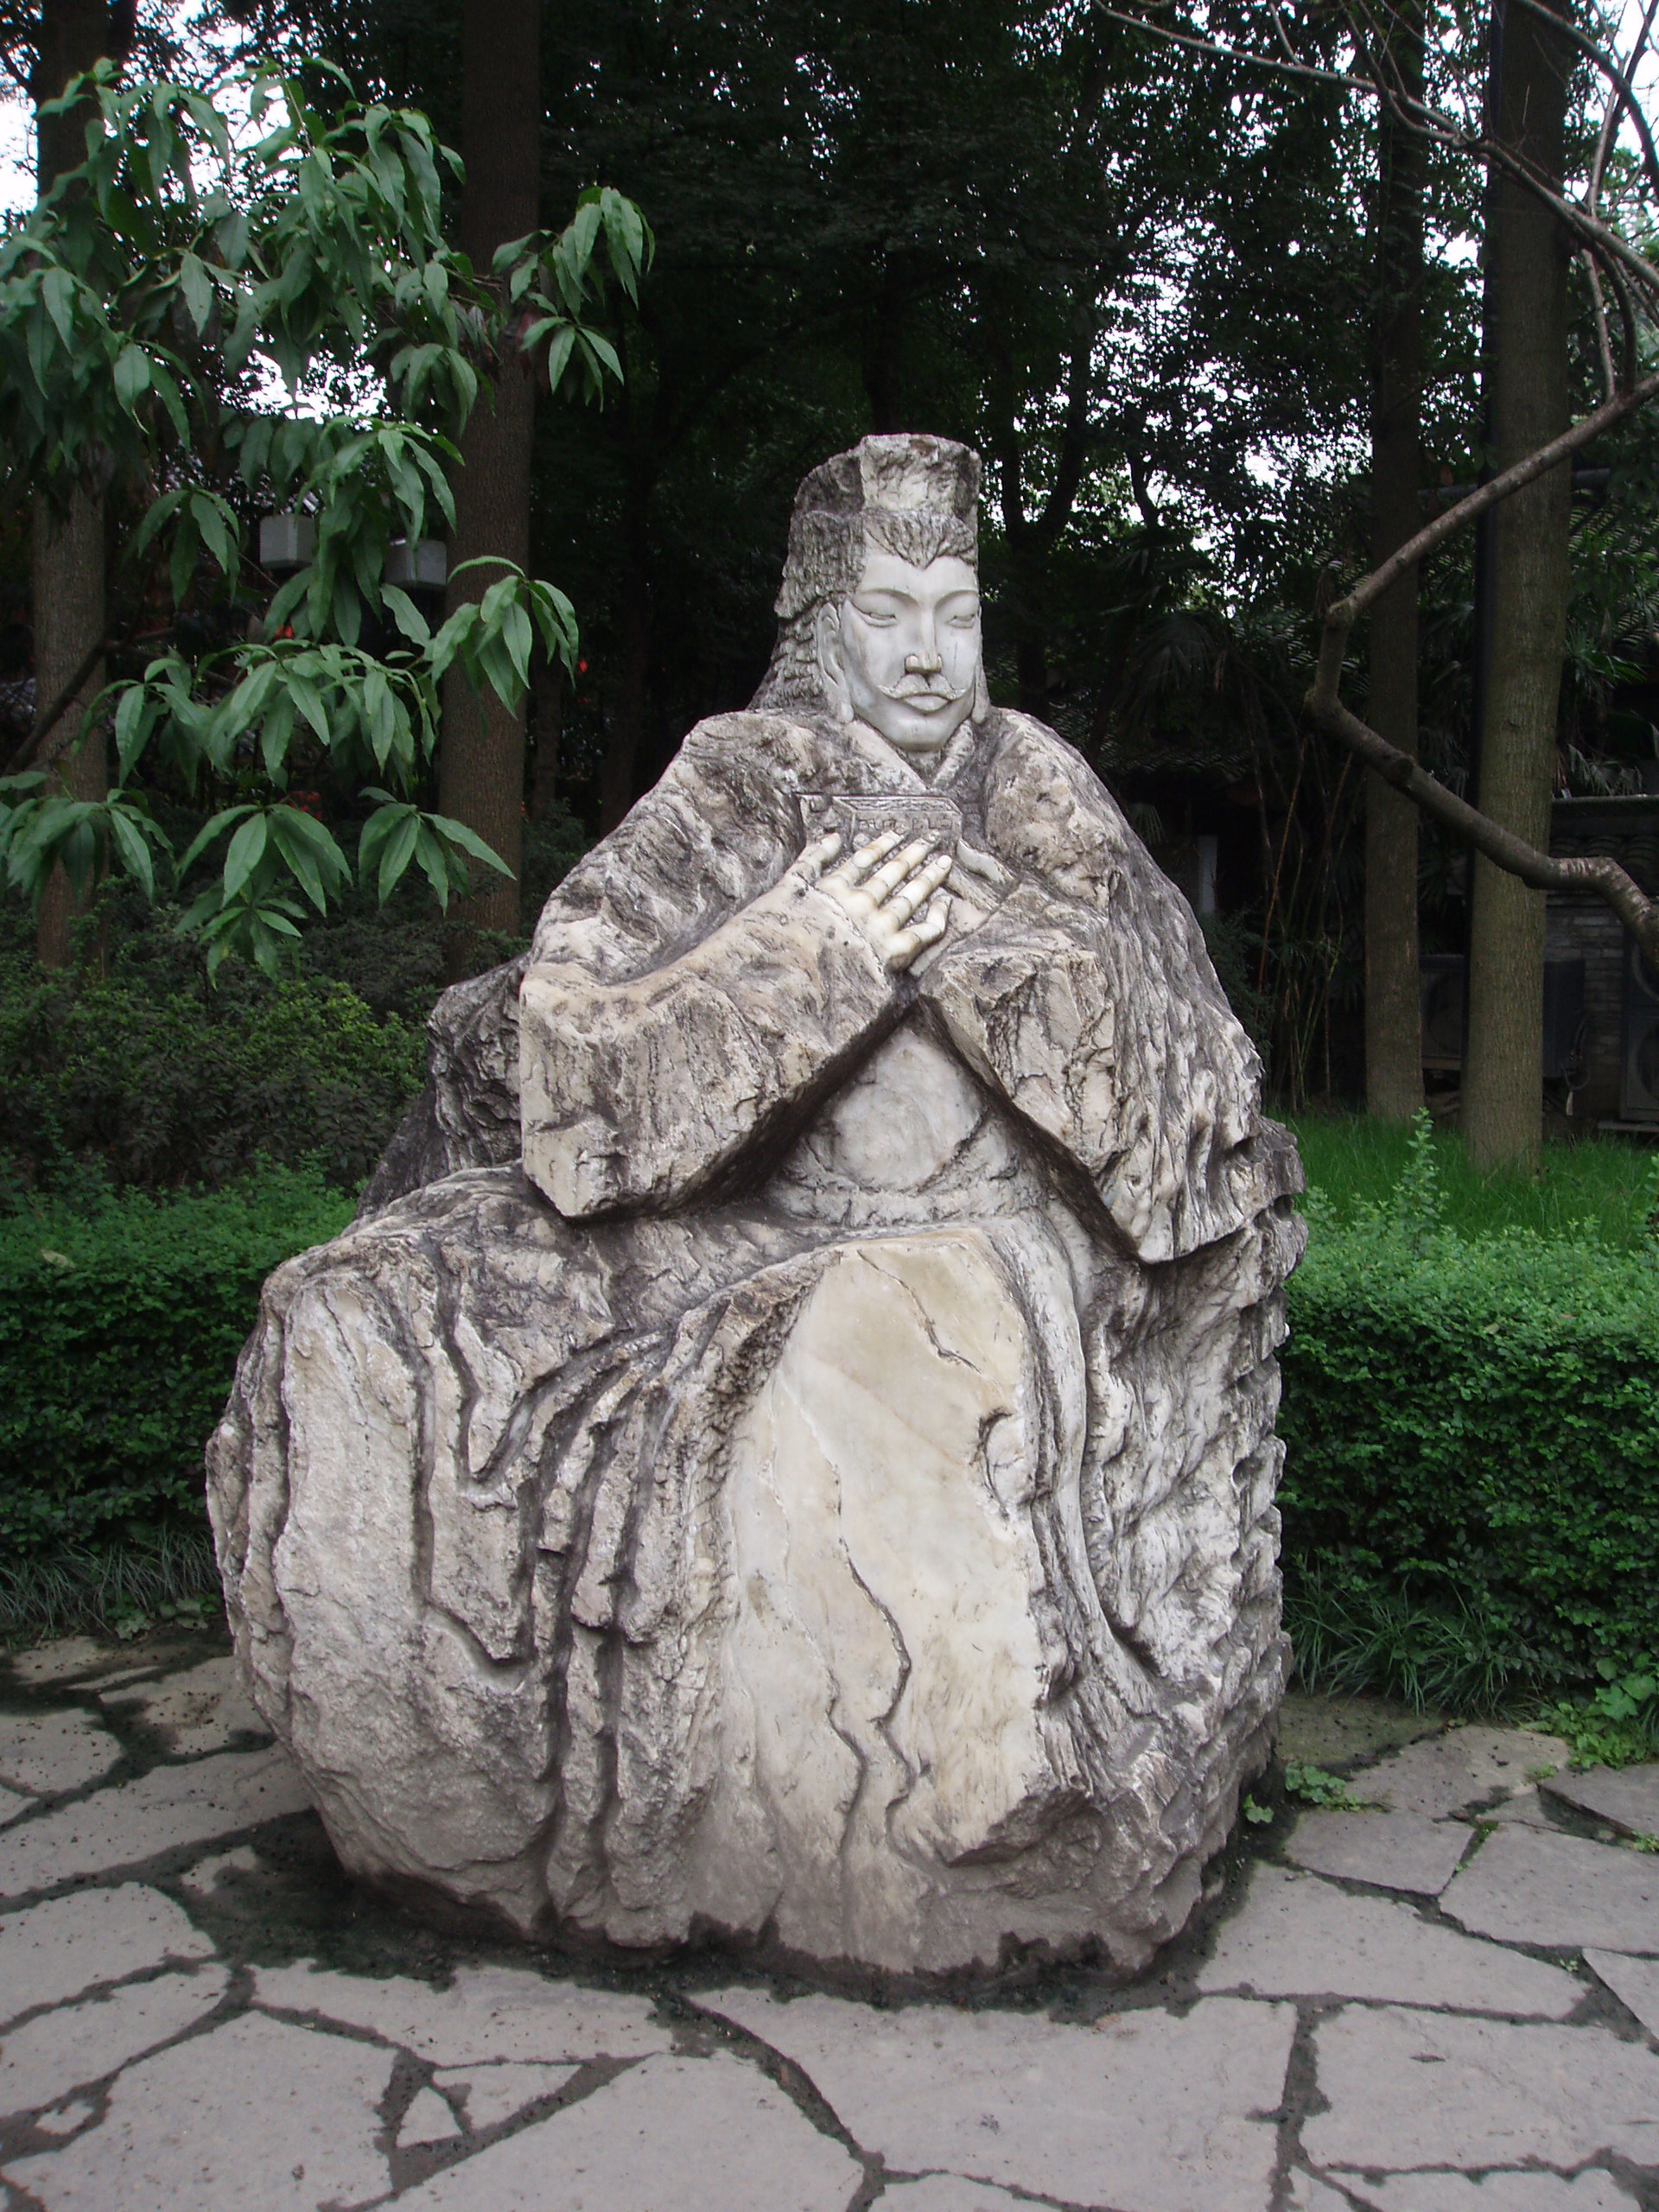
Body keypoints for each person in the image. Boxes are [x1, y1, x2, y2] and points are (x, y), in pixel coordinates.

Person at [210, 435, 1303, 1976]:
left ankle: (924, 1832)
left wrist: (993, 960)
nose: (929, 655)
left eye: (957, 609)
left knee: (896, 1340)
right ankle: (439, 1788)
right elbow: (578, 1079)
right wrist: (813, 949)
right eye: (888, 612)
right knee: (361, 1309)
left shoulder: (1034, 788)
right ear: (820, 627)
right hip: (720, 1228)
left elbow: (1200, 1101)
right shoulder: (744, 780)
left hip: (977, 1246)